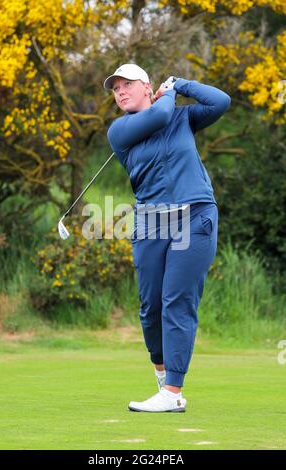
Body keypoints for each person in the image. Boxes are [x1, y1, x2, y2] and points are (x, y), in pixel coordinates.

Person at [103, 63, 231, 412]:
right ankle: (162, 376)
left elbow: (220, 101)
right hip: (150, 222)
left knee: (177, 300)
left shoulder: (181, 118)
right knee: (151, 307)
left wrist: (180, 83)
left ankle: (173, 392)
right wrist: (170, 94)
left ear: (147, 87)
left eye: (128, 84)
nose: (121, 92)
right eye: (116, 89)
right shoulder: (120, 130)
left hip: (195, 214)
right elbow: (158, 117)